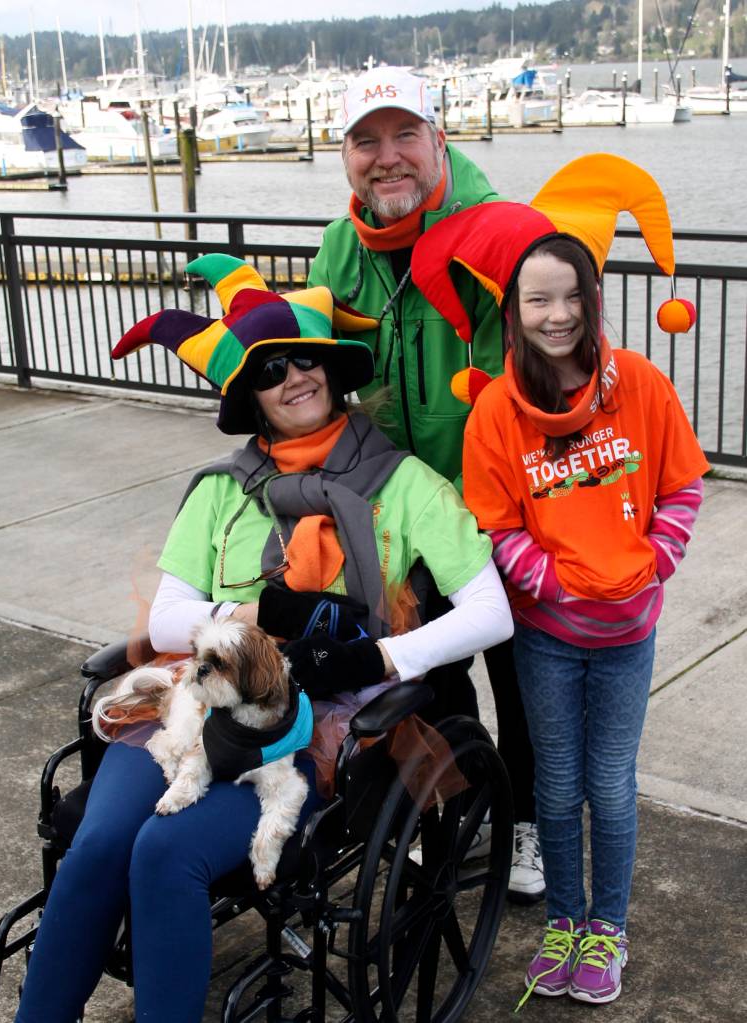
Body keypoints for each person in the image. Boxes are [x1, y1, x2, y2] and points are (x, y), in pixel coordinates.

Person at [14, 254, 513, 1023]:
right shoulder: (221, 487)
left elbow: (490, 610)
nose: (293, 377)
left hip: (313, 717)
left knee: (165, 850)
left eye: (305, 359)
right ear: (251, 392)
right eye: (270, 369)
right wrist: (238, 626)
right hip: (198, 694)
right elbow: (166, 618)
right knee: (103, 837)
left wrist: (378, 655)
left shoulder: (405, 482)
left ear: (332, 368)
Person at [411, 153, 710, 1007]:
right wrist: (548, 583)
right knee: (554, 784)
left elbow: (683, 483)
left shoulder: (641, 387)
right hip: (547, 634)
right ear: (514, 310)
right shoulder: (497, 411)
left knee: (610, 785)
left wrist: (653, 561)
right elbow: (495, 522)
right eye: (535, 299)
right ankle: (563, 923)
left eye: (569, 297)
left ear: (592, 303)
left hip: (627, 636)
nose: (554, 314)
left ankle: (605, 927)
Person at [308, 64, 543, 902]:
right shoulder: (342, 245)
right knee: (423, 674)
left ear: (439, 141)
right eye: (365, 141)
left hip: (497, 503)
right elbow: (318, 366)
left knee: (522, 678)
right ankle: (446, 800)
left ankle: (529, 822)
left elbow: (537, 369)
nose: (387, 158)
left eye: (405, 134)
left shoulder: (497, 234)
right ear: (343, 157)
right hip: (395, 506)